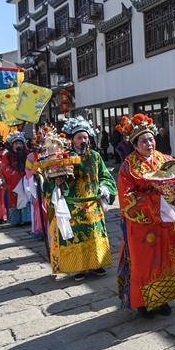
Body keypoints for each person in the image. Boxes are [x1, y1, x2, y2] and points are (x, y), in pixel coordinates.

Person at [117, 113, 175, 319]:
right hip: (143, 224)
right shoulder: (128, 166)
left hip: (167, 222)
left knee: (167, 258)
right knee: (145, 262)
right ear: (135, 145)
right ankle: (144, 303)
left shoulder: (164, 159)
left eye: (151, 138)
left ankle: (163, 298)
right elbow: (126, 198)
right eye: (144, 140)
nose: (149, 143)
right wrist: (155, 202)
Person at [42, 117, 117, 281]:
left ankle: (97, 264)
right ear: (72, 140)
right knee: (75, 237)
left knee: (95, 236)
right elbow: (51, 180)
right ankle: (77, 267)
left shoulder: (96, 156)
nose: (83, 140)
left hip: (93, 204)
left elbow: (105, 176)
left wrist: (104, 188)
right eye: (79, 137)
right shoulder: (65, 157)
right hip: (73, 206)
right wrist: (58, 181)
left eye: (85, 137)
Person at [0, 132, 32, 226]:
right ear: (12, 145)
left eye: (20, 143)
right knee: (14, 200)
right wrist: (15, 175)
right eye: (16, 144)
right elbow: (4, 167)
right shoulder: (7, 155)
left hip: (26, 180)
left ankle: (27, 218)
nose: (18, 145)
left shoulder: (28, 154)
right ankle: (16, 220)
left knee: (27, 198)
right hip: (13, 182)